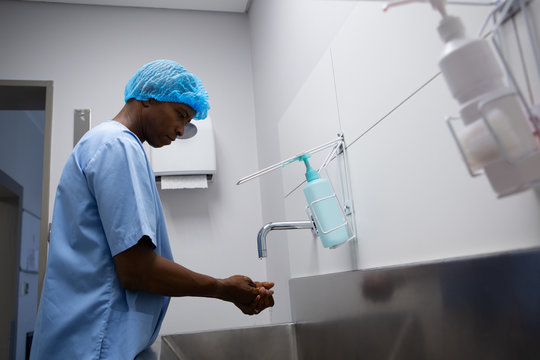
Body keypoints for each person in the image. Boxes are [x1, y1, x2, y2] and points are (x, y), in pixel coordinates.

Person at [30, 59, 274, 359]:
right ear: (149, 96)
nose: (181, 130)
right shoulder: (117, 144)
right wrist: (224, 288)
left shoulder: (107, 144)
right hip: (93, 344)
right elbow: (138, 271)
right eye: (180, 115)